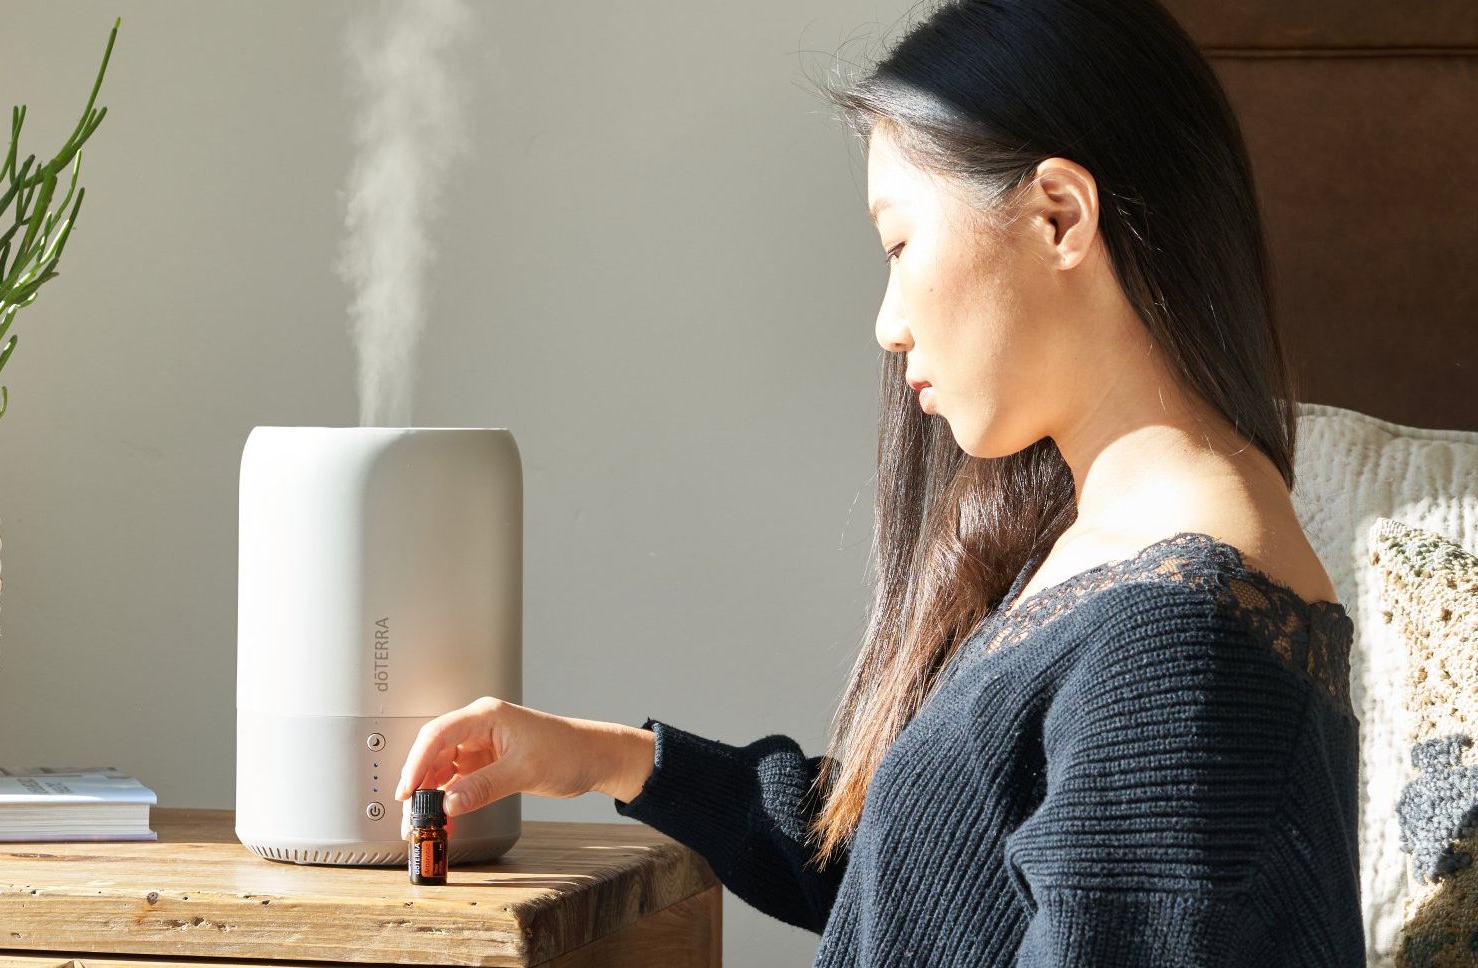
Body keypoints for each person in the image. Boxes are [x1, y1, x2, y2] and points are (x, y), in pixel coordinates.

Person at [396, 0, 1364, 963]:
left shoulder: (1179, 643)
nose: (886, 322)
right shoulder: (1130, 555)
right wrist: (604, 756)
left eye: (900, 245)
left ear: (1060, 215)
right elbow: (925, 875)